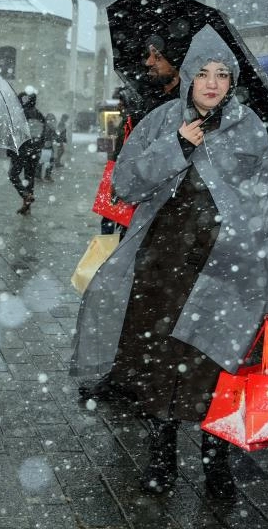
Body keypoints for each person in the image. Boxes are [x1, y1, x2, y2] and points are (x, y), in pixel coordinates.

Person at [70, 25, 268, 500]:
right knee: (159, 367)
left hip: (232, 276)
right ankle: (162, 459)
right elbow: (124, 185)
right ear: (188, 76)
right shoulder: (160, 121)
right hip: (163, 271)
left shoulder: (250, 130)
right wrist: (178, 146)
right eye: (203, 73)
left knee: (217, 371)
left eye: (222, 75)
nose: (212, 83)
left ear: (232, 82)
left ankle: (217, 469)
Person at [81, 31, 188, 401]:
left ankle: (147, 380)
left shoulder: (189, 108)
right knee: (120, 292)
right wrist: (117, 111)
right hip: (126, 208)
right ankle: (124, 373)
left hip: (164, 218)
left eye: (157, 56)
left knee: (152, 301)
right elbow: (110, 150)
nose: (148, 62)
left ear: (177, 62)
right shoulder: (138, 96)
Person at [7, 88, 44, 215]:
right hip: (35, 152)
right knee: (29, 178)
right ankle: (27, 206)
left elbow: (14, 134)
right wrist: (38, 147)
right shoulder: (39, 115)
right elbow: (44, 134)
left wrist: (11, 150)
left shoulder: (20, 115)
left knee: (13, 175)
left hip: (22, 151)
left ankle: (25, 195)